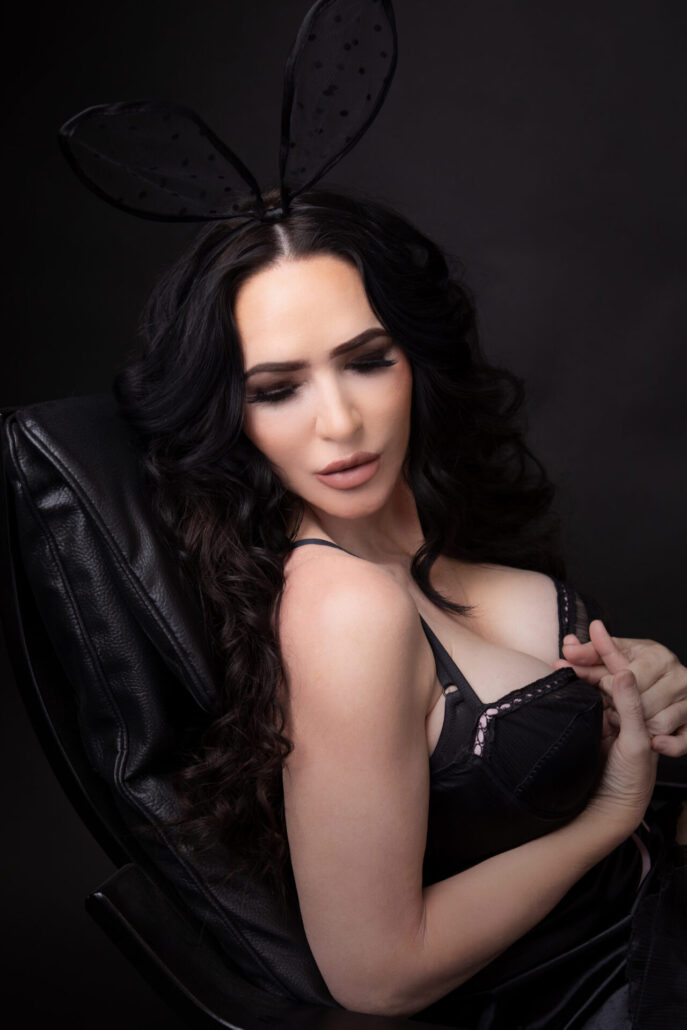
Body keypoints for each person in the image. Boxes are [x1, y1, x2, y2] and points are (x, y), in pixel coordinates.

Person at [113, 185, 687, 1030]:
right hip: (607, 992)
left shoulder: (426, 541)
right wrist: (610, 813)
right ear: (229, 413)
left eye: (366, 361)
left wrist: (640, 680)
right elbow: (375, 975)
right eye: (277, 389)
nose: (340, 422)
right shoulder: (344, 609)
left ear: (414, 358)